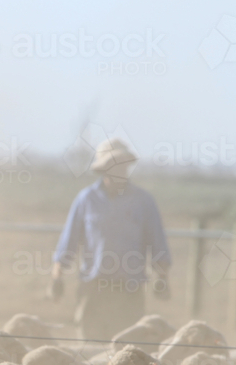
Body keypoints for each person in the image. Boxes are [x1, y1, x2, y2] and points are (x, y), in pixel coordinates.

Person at [49, 138, 171, 341]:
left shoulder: (143, 201)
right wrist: (56, 277)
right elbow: (68, 243)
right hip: (93, 289)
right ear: (103, 169)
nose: (118, 170)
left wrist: (163, 278)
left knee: (127, 350)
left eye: (122, 165)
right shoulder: (86, 199)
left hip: (129, 291)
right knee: (90, 348)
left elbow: (157, 242)